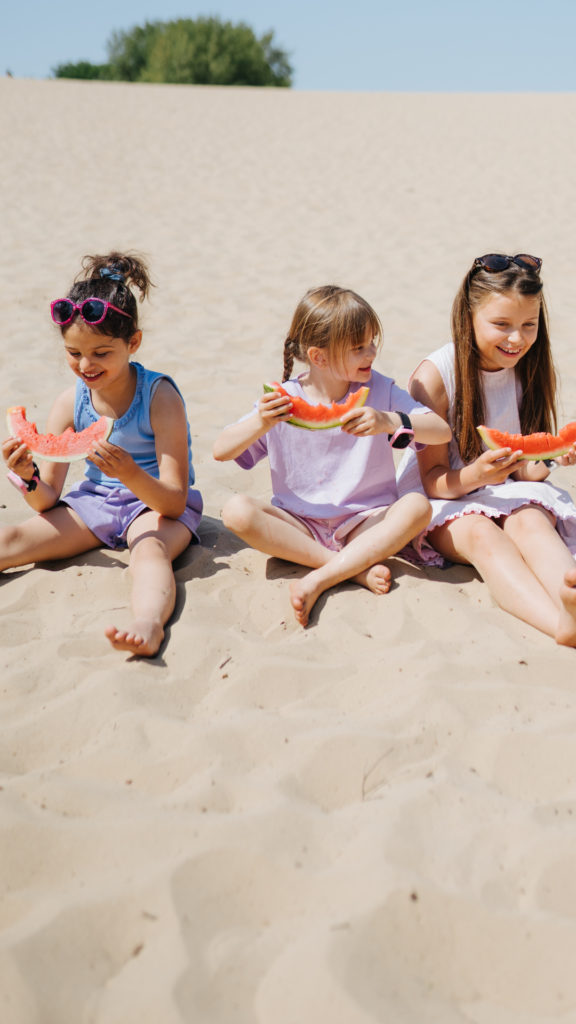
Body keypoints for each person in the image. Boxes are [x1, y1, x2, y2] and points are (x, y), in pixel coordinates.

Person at [213, 285, 451, 626]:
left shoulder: (380, 390)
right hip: (299, 524)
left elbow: (441, 430)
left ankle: (318, 578)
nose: (371, 353)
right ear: (319, 357)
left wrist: (389, 421)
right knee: (236, 511)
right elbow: (221, 450)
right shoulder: (283, 401)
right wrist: (261, 421)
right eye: (358, 348)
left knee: (417, 507)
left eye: (372, 343)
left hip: (365, 521)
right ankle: (348, 569)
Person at [2, 252, 202, 656]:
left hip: (155, 508)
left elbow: (175, 500)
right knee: (12, 537)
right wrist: (29, 476)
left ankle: (148, 625)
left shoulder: (160, 397)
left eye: (102, 353)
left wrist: (129, 473)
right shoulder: (68, 402)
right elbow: (47, 500)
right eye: (74, 353)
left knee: (149, 554)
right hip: (93, 504)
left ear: (134, 343)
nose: (86, 365)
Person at [397, 253, 576, 646]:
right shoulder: (434, 378)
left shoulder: (528, 367)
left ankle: (572, 596)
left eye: (529, 325)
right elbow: (431, 482)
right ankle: (560, 626)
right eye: (501, 325)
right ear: (468, 318)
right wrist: (477, 474)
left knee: (530, 520)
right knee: (483, 535)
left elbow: (523, 472)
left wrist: (549, 457)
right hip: (441, 498)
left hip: (501, 490)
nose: (517, 339)